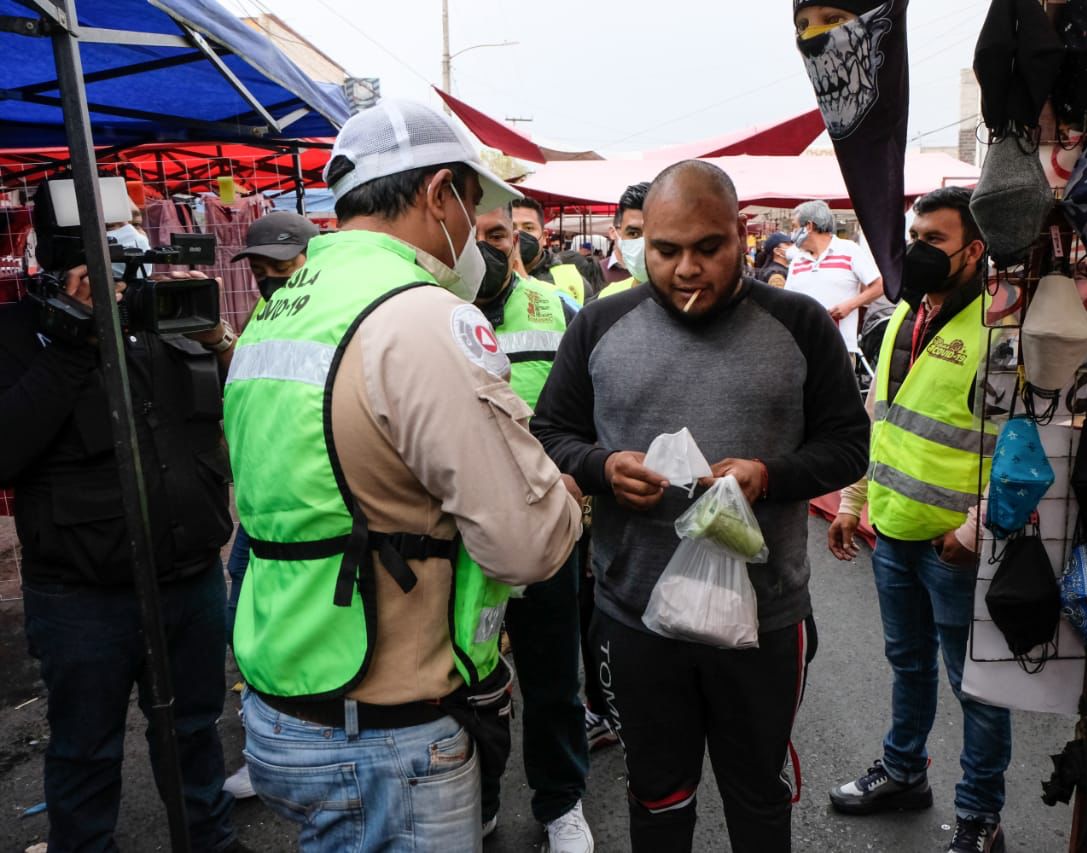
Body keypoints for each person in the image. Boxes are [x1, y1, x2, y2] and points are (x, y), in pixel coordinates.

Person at [223, 99, 583, 851]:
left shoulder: (280, 307)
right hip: (383, 731)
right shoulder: (417, 316)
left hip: (282, 704)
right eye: (473, 202)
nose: (475, 224)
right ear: (438, 193)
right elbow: (525, 546)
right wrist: (568, 497)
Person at [532, 160, 869, 853]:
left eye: (708, 247)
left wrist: (768, 475)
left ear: (742, 235)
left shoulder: (799, 324)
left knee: (759, 798)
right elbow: (550, 433)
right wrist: (602, 467)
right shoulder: (600, 324)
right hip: (636, 621)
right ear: (640, 244)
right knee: (657, 800)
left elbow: (848, 445)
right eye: (666, 249)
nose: (688, 268)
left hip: (766, 621)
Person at [0, 196, 242, 851]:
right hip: (82, 592)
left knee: (195, 729)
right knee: (85, 749)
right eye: (105, 243)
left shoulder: (159, 314)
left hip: (189, 575)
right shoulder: (18, 333)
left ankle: (210, 842)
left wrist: (212, 333)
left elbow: (226, 405)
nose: (122, 258)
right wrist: (74, 336)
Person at [827, 187, 1011, 853]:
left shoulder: (998, 331)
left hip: (955, 549)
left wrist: (976, 530)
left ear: (974, 250)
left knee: (977, 688)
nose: (917, 250)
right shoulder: (905, 313)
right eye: (915, 235)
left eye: (934, 239)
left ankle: (979, 814)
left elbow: (1023, 445)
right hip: (895, 533)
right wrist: (853, 503)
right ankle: (905, 770)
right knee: (907, 662)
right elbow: (879, 421)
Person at [472, 203, 593, 852]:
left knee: (553, 680)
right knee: (466, 681)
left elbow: (593, 403)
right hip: (461, 545)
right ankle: (478, 802)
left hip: (547, 533)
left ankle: (562, 803)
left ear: (519, 239)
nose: (489, 248)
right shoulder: (426, 311)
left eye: (499, 235)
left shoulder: (557, 307)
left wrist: (577, 485)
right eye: (475, 236)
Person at [219, 210, 320, 801]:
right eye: (259, 269)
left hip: (316, 511)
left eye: (280, 265)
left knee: (312, 636)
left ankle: (307, 751)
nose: (269, 278)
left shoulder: (337, 316)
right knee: (246, 630)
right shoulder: (262, 316)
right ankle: (265, 748)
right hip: (259, 512)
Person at [785, 200, 891, 366]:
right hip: (802, 349)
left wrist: (850, 305)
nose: (792, 233)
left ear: (809, 226)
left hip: (840, 349)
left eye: (794, 226)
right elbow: (788, 301)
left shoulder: (849, 250)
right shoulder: (798, 260)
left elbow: (880, 285)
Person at [511, 196, 590, 302]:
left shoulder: (573, 282)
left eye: (528, 228)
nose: (518, 234)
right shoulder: (488, 279)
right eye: (511, 228)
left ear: (544, 237)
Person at [596, 182, 651, 299]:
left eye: (653, 233)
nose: (643, 244)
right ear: (619, 233)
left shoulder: (691, 301)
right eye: (633, 233)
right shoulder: (607, 299)